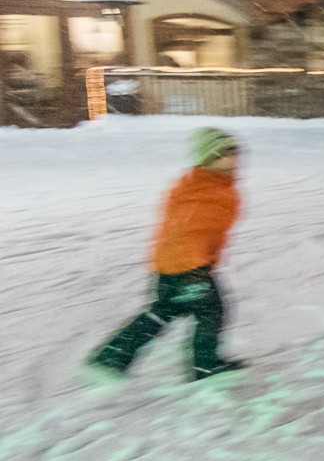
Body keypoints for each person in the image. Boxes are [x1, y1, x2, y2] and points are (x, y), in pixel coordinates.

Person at [88, 127, 247, 382]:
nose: (233, 158)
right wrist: (195, 269)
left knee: (162, 311)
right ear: (208, 158)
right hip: (188, 267)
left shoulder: (206, 184)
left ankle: (112, 356)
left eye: (235, 151)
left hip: (171, 263)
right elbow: (185, 230)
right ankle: (205, 366)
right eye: (224, 153)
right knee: (211, 312)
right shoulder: (205, 189)